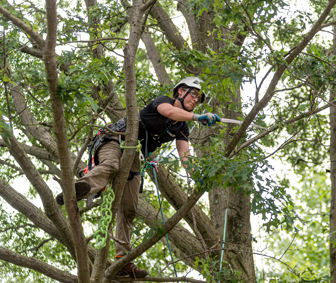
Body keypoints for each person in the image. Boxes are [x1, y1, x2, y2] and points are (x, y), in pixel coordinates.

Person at [55, 77, 220, 278]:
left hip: (135, 155)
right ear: (179, 92)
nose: (196, 100)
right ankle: (79, 188)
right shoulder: (162, 101)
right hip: (116, 138)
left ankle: (122, 259)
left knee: (129, 207)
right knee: (112, 165)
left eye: (199, 99)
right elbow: (169, 112)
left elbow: (185, 156)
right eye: (193, 94)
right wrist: (198, 117)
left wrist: (197, 176)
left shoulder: (182, 128)